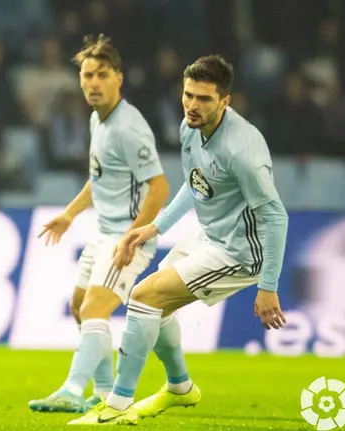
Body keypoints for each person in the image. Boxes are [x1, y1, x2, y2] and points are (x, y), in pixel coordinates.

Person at [68, 55, 289, 426]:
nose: (193, 105)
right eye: (188, 95)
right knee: (156, 308)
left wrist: (268, 286)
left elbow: (276, 216)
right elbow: (195, 182)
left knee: (143, 297)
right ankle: (179, 387)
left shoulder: (242, 150)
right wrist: (155, 227)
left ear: (225, 101)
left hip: (242, 251)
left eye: (204, 99)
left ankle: (118, 405)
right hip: (211, 235)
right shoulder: (190, 126)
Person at [28, 34, 169, 413]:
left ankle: (73, 389)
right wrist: (69, 214)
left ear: (118, 78)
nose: (92, 82)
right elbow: (99, 177)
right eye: (87, 75)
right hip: (104, 234)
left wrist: (133, 236)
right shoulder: (98, 119)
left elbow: (159, 186)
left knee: (94, 310)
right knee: (79, 307)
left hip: (125, 238)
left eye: (101, 74)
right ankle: (104, 391)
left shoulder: (128, 126)